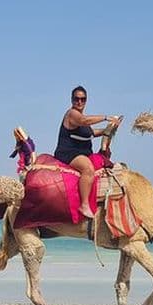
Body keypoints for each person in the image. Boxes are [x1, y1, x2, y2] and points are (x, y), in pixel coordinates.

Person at [53, 85, 121, 219]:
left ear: (86, 100)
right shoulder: (72, 114)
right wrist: (106, 118)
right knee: (88, 169)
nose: (79, 102)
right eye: (76, 99)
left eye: (83, 99)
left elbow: (91, 133)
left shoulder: (81, 118)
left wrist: (108, 129)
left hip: (82, 152)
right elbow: (84, 121)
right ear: (72, 100)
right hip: (69, 153)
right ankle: (84, 204)